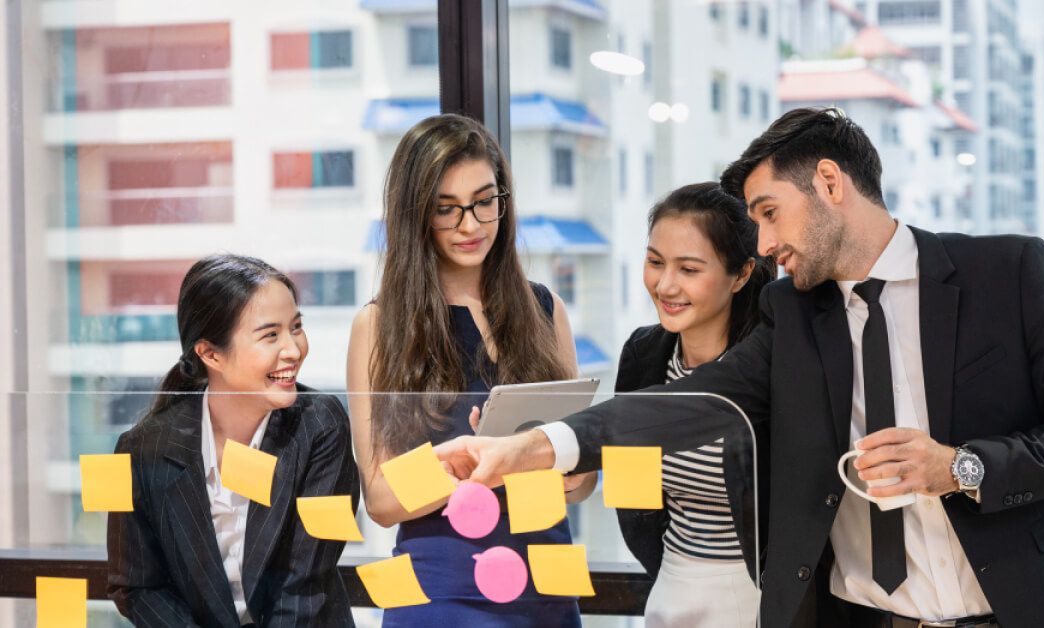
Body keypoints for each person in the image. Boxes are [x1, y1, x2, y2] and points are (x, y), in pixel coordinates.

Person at [434, 107, 1044, 628]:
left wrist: (961, 466)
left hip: (1019, 613)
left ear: (830, 182)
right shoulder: (793, 314)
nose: (765, 242)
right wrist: (534, 444)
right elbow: (689, 403)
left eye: (771, 213)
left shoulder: (1008, 273)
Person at [346, 113, 595, 627]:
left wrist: (558, 464)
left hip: (543, 582)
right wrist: (459, 464)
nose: (471, 225)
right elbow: (381, 500)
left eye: (485, 202)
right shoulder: (378, 326)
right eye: (447, 209)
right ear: (416, 216)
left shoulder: (546, 310)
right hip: (441, 591)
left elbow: (581, 478)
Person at [107, 254, 359, 627]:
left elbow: (305, 584)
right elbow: (137, 587)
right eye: (270, 335)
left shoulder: (321, 424)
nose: (293, 349)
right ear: (210, 353)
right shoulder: (142, 449)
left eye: (296, 327)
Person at [615, 182, 772, 628]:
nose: (665, 285)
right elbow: (631, 492)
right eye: (655, 262)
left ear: (741, 274)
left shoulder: (772, 364)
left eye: (689, 269)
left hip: (759, 594)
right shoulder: (643, 355)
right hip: (671, 586)